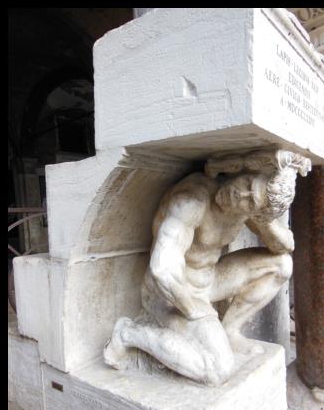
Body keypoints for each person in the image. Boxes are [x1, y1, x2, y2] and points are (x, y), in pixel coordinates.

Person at [104, 148, 310, 385]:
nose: (239, 194)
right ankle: (128, 334)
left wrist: (265, 222)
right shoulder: (192, 201)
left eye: (250, 201)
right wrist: (195, 311)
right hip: (172, 295)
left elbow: (285, 246)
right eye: (247, 183)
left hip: (209, 281)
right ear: (247, 174)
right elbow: (163, 268)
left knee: (281, 265)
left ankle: (229, 331)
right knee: (217, 371)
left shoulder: (247, 208)